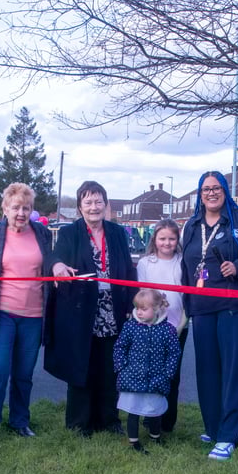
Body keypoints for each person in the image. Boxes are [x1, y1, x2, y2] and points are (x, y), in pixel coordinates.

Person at [181, 170, 238, 461]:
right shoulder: (192, 225)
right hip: (203, 306)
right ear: (200, 194)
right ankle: (215, 427)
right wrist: (187, 303)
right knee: (207, 370)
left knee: (235, 371)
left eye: (217, 188)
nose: (211, 193)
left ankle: (231, 435)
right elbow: (186, 266)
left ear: (225, 191)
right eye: (206, 189)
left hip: (236, 305)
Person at [0, 183, 55, 441]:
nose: (21, 213)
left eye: (26, 208)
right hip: (1, 312)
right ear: (5, 209)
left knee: (24, 374)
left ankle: (19, 420)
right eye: (15, 207)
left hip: (34, 315)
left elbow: (49, 269)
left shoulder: (43, 234)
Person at [45, 181, 136, 436]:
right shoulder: (70, 233)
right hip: (81, 312)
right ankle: (79, 423)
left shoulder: (117, 233)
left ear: (106, 205)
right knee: (82, 366)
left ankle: (109, 419)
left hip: (113, 311)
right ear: (79, 207)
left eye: (98, 202)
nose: (94, 207)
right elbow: (55, 256)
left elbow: (128, 270)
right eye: (88, 202)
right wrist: (57, 267)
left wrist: (130, 303)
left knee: (110, 367)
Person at [113, 289, 181, 453]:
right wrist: (121, 367)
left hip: (157, 378)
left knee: (154, 410)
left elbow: (174, 353)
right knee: (133, 411)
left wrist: (168, 373)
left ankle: (155, 437)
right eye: (137, 308)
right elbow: (120, 347)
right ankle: (133, 442)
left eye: (144, 309)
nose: (139, 312)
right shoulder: (130, 327)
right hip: (132, 377)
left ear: (157, 308)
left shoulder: (168, 330)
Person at [135, 219, 187, 433]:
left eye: (172, 239)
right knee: (150, 374)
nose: (167, 243)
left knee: (171, 375)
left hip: (177, 328)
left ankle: (167, 423)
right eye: (162, 238)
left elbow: (187, 299)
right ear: (155, 240)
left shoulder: (183, 262)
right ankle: (149, 419)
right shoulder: (145, 263)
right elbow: (141, 296)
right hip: (151, 328)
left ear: (177, 240)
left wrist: (180, 327)